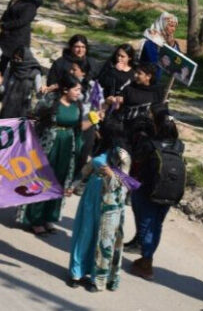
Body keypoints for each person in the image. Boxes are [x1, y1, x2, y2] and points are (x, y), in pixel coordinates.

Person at [17, 75, 88, 235]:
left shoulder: (77, 105)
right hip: (49, 145)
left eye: (80, 90)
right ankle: (34, 219)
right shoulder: (51, 102)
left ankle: (49, 216)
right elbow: (33, 115)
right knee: (43, 180)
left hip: (67, 147)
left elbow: (78, 128)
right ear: (65, 89)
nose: (79, 92)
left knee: (59, 181)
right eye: (76, 89)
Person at [66, 123, 131, 292]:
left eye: (100, 131)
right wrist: (73, 185)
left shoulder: (122, 156)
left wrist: (111, 175)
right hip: (91, 197)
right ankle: (76, 273)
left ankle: (98, 279)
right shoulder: (101, 148)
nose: (96, 133)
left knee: (104, 240)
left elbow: (126, 184)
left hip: (110, 203)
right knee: (84, 233)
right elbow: (87, 168)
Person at [128, 106, 184, 280]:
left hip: (146, 190)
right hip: (168, 191)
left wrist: (140, 133)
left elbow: (136, 157)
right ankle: (147, 257)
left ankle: (146, 262)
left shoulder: (149, 143)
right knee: (156, 224)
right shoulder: (179, 145)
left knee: (145, 224)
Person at [0, 0, 43, 73]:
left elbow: (23, 20)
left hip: (18, 39)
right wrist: (1, 21)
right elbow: (8, 11)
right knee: (0, 63)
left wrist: (6, 25)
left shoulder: (30, 3)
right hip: (6, 38)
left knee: (15, 65)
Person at [0, 47, 42, 119]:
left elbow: (39, 95)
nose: (16, 61)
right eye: (14, 58)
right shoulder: (11, 69)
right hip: (7, 108)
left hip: (23, 109)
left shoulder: (35, 73)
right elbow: (2, 89)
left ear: (26, 59)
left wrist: (42, 91)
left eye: (18, 59)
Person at [139, 12, 179, 82]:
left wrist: (172, 45)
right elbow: (154, 61)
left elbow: (178, 60)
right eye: (171, 26)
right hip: (144, 78)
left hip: (155, 79)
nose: (173, 29)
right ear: (162, 24)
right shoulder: (150, 40)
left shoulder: (169, 41)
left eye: (175, 26)